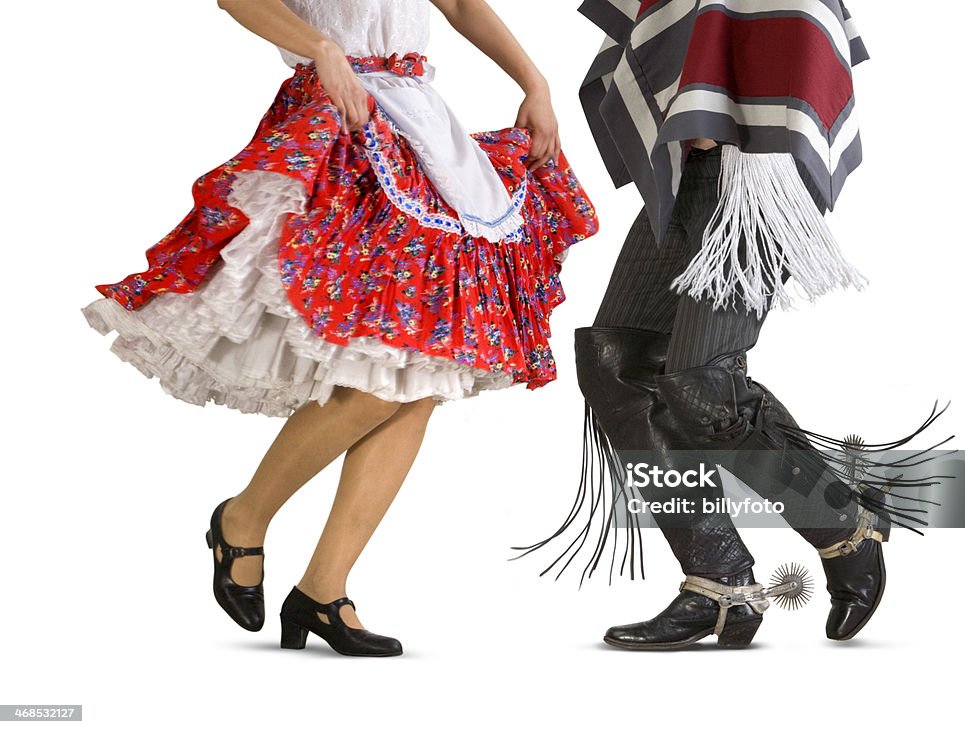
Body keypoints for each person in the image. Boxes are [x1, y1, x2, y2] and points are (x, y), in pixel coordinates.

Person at [80, 0, 597, 657]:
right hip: (341, 126)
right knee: (387, 375)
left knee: (420, 376)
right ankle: (244, 517)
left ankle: (324, 588)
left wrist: (535, 81)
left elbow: (462, 3)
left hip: (421, 129)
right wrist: (321, 49)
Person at [518, 0, 948, 649]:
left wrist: (732, 116)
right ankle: (720, 584)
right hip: (690, 172)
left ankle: (843, 523)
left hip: (760, 172)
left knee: (699, 380)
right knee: (617, 362)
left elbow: (793, 31)